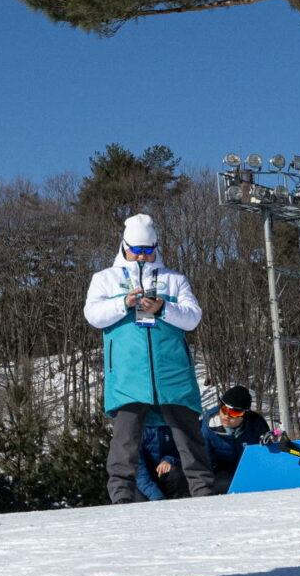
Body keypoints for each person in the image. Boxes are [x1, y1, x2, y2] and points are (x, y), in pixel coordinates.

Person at [84, 214, 213, 501]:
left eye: (147, 250)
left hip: (173, 374)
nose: (141, 256)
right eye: (136, 250)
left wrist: (163, 308)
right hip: (128, 376)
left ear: (156, 246)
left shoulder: (174, 279)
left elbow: (193, 318)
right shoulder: (104, 279)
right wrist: (124, 303)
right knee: (125, 442)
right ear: (124, 245)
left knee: (188, 438)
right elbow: (93, 315)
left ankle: (204, 494)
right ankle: (121, 498)